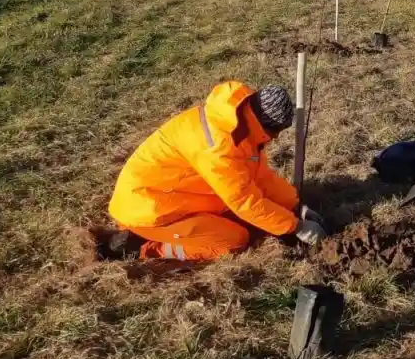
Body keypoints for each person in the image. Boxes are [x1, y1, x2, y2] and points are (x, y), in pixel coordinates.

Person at [105, 82, 326, 261]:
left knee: (244, 218)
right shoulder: (219, 147)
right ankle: (147, 248)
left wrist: (295, 205)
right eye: (277, 131)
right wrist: (295, 226)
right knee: (232, 241)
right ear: (267, 125)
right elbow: (244, 201)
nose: (276, 138)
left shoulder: (237, 124)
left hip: (174, 197)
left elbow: (259, 177)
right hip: (149, 210)